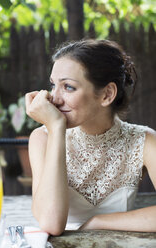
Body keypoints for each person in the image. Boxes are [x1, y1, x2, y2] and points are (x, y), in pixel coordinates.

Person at [25, 39, 156, 236]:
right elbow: (51, 224)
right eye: (53, 85)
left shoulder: (143, 141)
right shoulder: (41, 138)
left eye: (68, 87)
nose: (55, 98)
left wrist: (98, 222)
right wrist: (56, 129)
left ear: (107, 95)